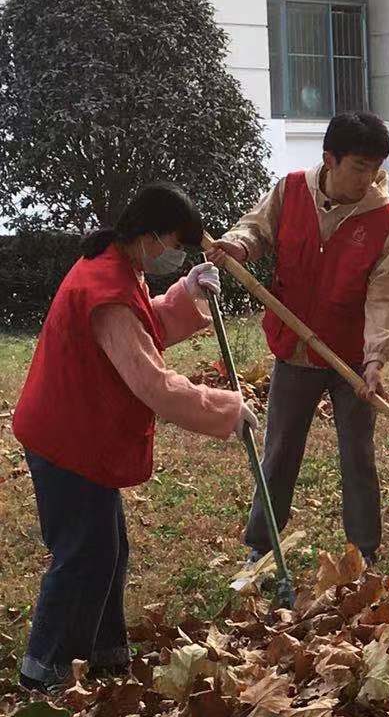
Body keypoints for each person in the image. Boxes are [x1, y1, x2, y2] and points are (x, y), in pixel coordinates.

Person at [12, 184, 256, 691]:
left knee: (109, 548)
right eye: (175, 244)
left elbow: (148, 328)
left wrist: (188, 292)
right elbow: (154, 385)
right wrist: (226, 409)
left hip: (77, 429)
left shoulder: (121, 267)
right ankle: (45, 669)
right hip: (65, 438)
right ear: (149, 236)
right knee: (83, 552)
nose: (176, 253)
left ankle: (103, 654)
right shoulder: (106, 290)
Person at [207, 111, 389, 566]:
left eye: (374, 168)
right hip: (294, 347)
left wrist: (376, 359)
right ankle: (261, 544)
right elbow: (256, 228)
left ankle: (365, 550)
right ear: (329, 159)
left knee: (358, 453)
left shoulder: (383, 221)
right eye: (358, 167)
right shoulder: (291, 189)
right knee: (280, 449)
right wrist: (238, 246)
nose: (366, 178)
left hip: (351, 359)